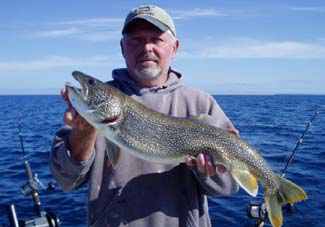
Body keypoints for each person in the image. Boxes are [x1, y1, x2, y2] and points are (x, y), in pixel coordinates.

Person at [50, 5, 239, 227]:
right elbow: (66, 181)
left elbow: (228, 186)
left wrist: (208, 171)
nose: (146, 47)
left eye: (156, 39)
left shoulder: (202, 104)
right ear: (122, 48)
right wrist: (82, 134)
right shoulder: (92, 110)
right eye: (135, 40)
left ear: (174, 48)